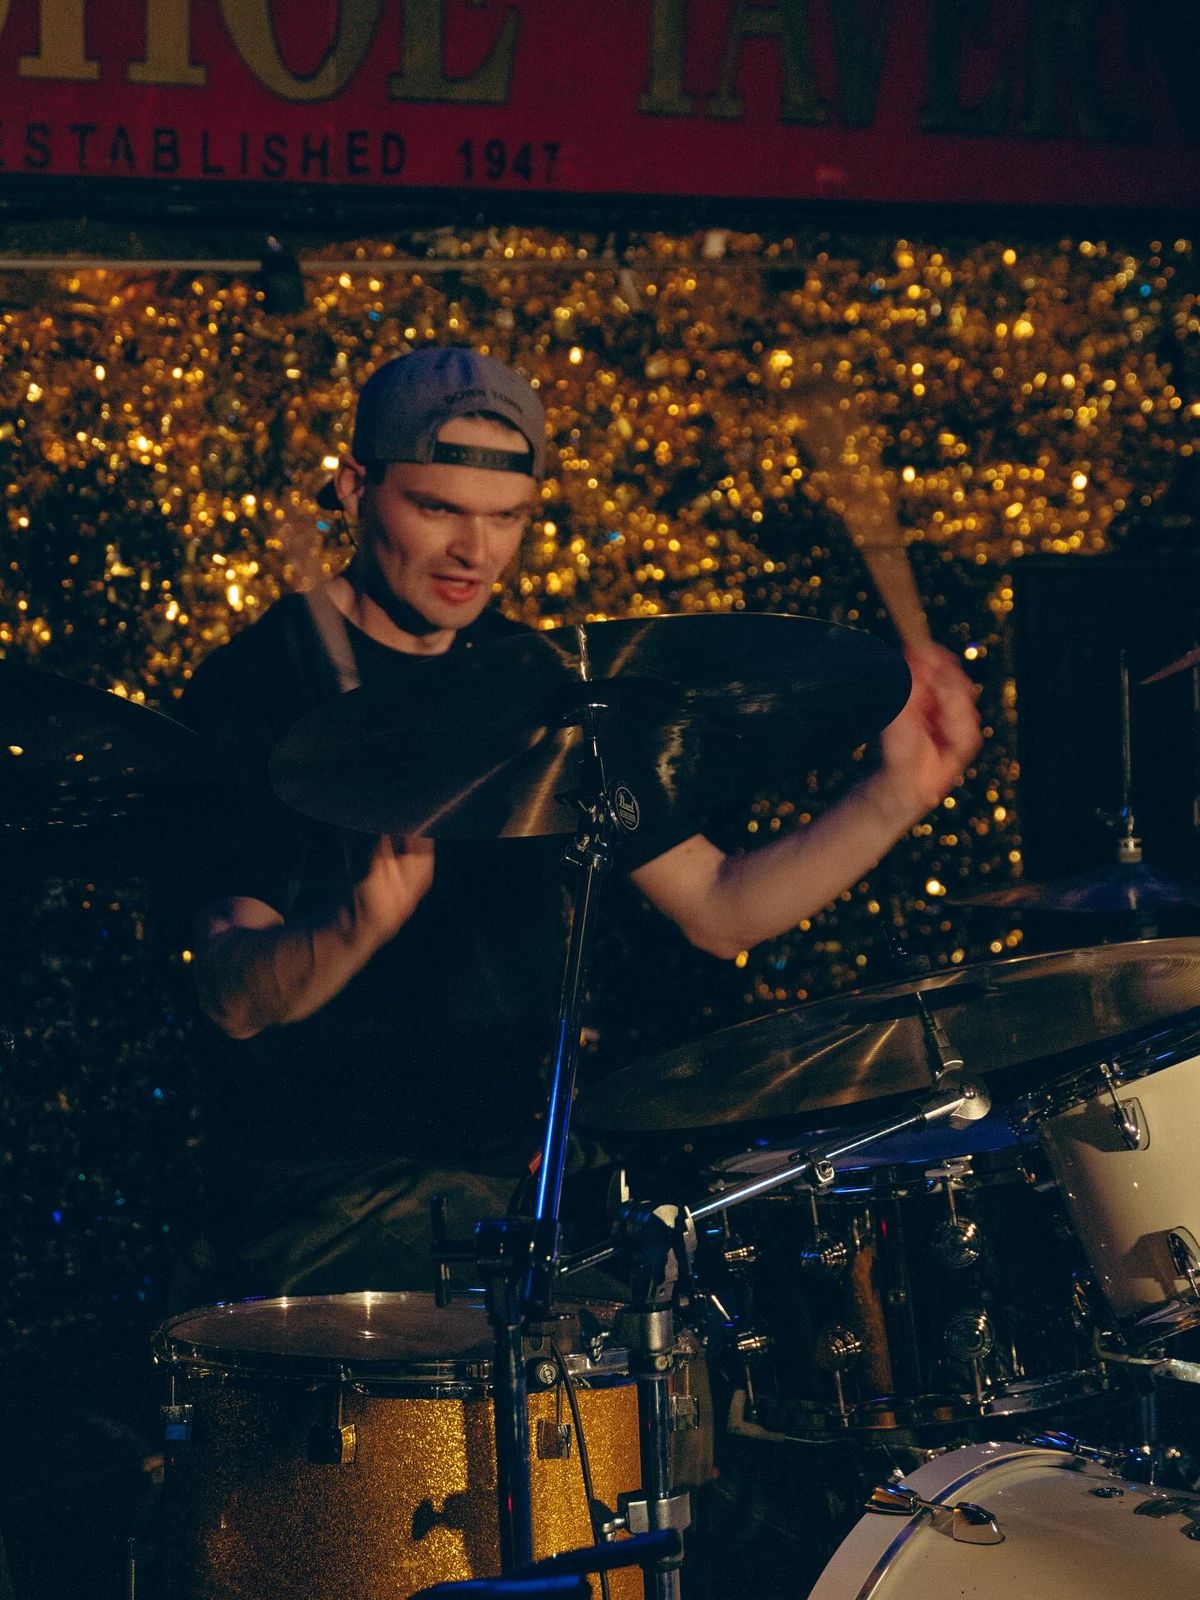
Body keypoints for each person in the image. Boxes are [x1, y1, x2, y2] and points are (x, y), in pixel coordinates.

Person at [177, 346, 981, 1306]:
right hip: (326, 1206)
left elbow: (719, 909)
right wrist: (355, 928)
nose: (476, 553)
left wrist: (894, 795)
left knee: (703, 1297)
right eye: (438, 510)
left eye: (506, 518)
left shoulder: (538, 686)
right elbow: (231, 996)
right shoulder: (259, 689)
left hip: (526, 1177)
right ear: (355, 489)